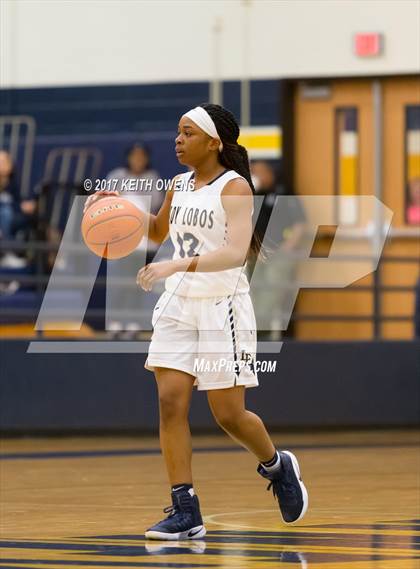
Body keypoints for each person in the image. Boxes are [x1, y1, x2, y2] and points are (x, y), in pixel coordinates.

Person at [84, 104, 308, 540]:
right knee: (170, 402)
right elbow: (154, 231)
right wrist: (114, 207)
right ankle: (186, 509)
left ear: (213, 142)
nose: (178, 140)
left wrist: (174, 266)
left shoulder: (235, 187)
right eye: (177, 133)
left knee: (228, 415)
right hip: (179, 305)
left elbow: (235, 251)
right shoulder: (178, 184)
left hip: (222, 305)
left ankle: (278, 467)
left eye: (187, 133)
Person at [249, 160, 306, 337]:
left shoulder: (284, 193)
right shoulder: (253, 195)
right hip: (257, 254)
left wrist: (284, 250)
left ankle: (260, 329)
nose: (256, 176)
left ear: (268, 172)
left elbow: (300, 225)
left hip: (280, 254)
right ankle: (253, 330)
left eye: (258, 172)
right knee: (250, 291)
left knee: (272, 291)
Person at [0, 150, 37, 268]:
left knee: (31, 217)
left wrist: (24, 205)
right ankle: (6, 253)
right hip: (4, 216)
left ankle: (36, 256)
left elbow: (15, 200)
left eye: (5, 161)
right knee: (5, 213)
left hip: (12, 216)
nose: (3, 164)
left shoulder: (11, 183)